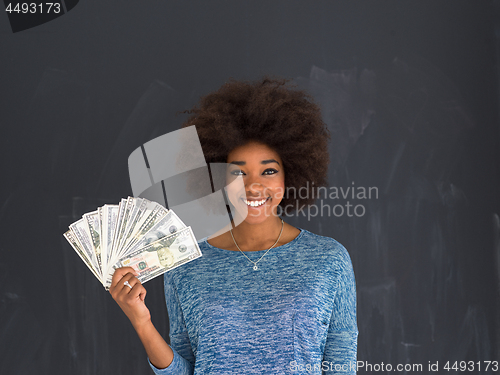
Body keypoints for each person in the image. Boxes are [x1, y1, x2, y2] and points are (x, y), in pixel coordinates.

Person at [110, 77, 358, 374]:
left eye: (268, 170)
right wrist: (141, 321)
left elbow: (342, 367)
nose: (254, 186)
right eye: (237, 172)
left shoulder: (329, 260)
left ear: (289, 175)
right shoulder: (186, 265)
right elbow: (185, 369)